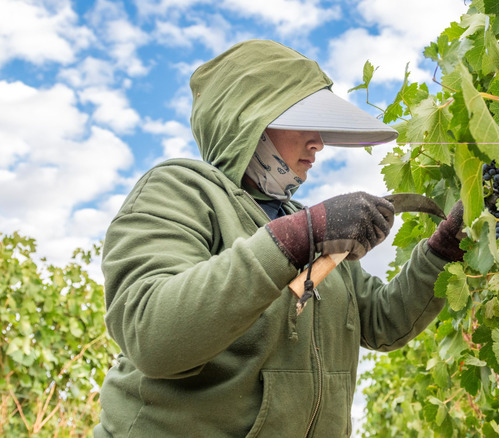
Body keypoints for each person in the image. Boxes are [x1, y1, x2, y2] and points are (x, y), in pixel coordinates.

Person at [94, 39, 464, 437]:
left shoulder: (303, 222)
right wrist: (299, 238)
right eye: (304, 120)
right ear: (248, 120)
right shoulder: (179, 191)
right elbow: (152, 335)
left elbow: (381, 322)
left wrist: (443, 249)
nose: (319, 142)